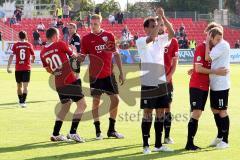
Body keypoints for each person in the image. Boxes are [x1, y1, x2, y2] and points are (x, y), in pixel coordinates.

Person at [136, 7, 175, 154]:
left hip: (161, 80)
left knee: (160, 112)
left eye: (156, 26)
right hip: (149, 80)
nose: (156, 28)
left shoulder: (160, 41)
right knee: (148, 113)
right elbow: (151, 37)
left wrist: (163, 18)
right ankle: (146, 145)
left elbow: (172, 33)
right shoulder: (141, 41)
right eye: (152, 26)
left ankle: (158, 145)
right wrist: (158, 22)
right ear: (145, 29)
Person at [80, 14, 125, 140]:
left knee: (116, 100)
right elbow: (83, 56)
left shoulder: (108, 36)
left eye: (95, 24)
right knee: (96, 102)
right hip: (95, 76)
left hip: (109, 75)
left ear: (100, 23)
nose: (93, 26)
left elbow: (115, 54)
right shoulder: (86, 39)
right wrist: (78, 58)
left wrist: (121, 72)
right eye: (91, 23)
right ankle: (98, 131)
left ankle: (112, 130)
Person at [40, 27, 87, 142]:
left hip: (59, 83)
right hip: (70, 81)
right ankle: (73, 132)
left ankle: (56, 133)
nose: (60, 37)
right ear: (55, 36)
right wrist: (77, 53)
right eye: (58, 35)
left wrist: (57, 72)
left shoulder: (42, 52)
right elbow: (74, 56)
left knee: (65, 106)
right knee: (82, 105)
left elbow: (48, 69)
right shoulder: (60, 44)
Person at [185, 26, 228, 150]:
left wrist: (194, 68)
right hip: (197, 86)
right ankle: (189, 144)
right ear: (210, 37)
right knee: (196, 113)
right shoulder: (200, 47)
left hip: (205, 86)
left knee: (198, 113)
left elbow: (200, 66)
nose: (219, 42)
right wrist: (215, 71)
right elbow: (199, 69)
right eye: (217, 39)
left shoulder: (213, 49)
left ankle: (192, 143)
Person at [205, 26, 231, 149]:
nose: (216, 41)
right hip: (215, 83)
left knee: (222, 111)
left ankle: (225, 141)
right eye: (216, 39)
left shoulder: (222, 45)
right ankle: (220, 136)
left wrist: (206, 43)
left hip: (221, 84)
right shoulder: (217, 45)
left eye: (215, 39)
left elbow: (207, 58)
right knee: (215, 109)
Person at [158, 21, 179, 144]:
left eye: (162, 25)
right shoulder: (152, 40)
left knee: (167, 107)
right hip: (154, 80)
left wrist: (170, 75)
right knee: (155, 108)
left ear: (166, 27)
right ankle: (156, 136)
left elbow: (175, 61)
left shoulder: (173, 41)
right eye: (158, 25)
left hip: (167, 80)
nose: (161, 27)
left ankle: (167, 136)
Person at [7, 31, 35, 108]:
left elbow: (11, 56)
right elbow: (33, 55)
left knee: (19, 86)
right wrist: (32, 60)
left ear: (18, 36)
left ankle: (20, 101)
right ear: (26, 36)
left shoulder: (16, 45)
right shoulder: (29, 45)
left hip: (18, 68)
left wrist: (8, 67)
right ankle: (23, 102)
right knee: (26, 86)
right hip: (26, 68)